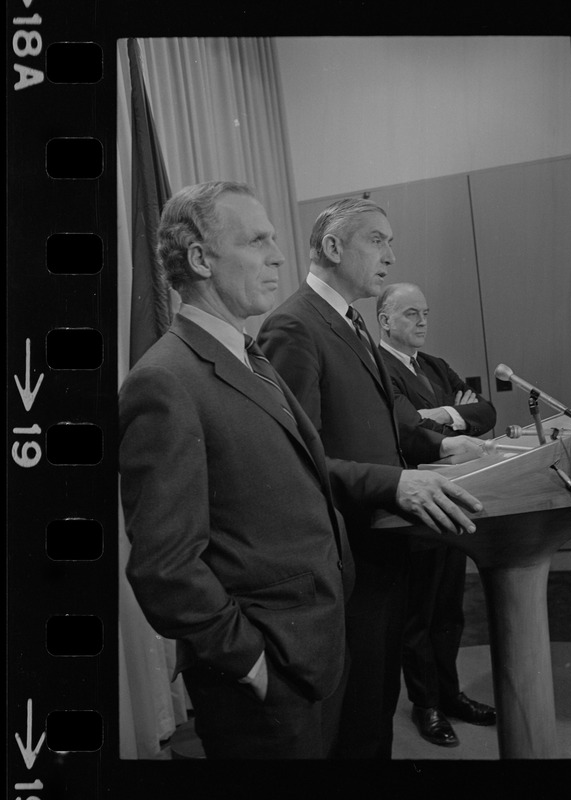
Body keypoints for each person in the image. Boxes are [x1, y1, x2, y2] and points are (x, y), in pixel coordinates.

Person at [119, 182, 483, 760]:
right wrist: (251, 663)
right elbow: (164, 566)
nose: (279, 254)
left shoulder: (251, 356)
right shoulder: (164, 380)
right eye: (257, 240)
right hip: (268, 668)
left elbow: (302, 475)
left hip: (317, 641)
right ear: (199, 259)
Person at [258, 197, 488, 759]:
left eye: (391, 242)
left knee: (380, 704)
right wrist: (395, 485)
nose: (390, 254)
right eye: (377, 241)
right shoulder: (294, 325)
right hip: (347, 555)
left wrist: (441, 442)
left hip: (384, 545)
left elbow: (380, 424)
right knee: (360, 718)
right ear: (334, 248)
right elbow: (294, 460)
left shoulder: (350, 319)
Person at [377, 282, 497, 747]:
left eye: (425, 312)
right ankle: (426, 705)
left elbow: (484, 410)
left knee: (449, 609)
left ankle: (451, 694)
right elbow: (410, 432)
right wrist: (450, 417)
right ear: (385, 320)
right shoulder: (378, 367)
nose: (423, 322)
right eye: (411, 314)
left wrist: (441, 413)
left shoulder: (434, 365)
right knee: (419, 616)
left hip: (456, 496)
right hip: (417, 504)